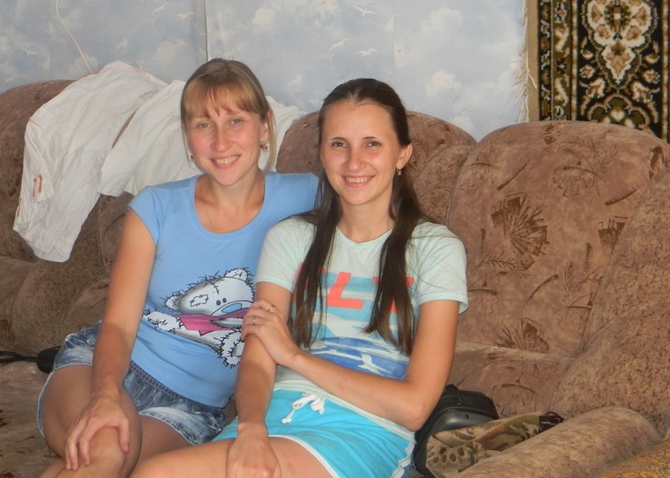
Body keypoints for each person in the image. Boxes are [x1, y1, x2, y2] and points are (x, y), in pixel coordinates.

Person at [132, 78, 468, 478]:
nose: (354, 162)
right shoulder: (290, 238)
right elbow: (258, 360)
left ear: (402, 154)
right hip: (273, 418)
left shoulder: (435, 249)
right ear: (322, 154)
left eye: (372, 144)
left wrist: (293, 356)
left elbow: (414, 408)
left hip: (363, 430)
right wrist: (250, 427)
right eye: (339, 144)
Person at [37, 58, 319, 478]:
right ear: (188, 138)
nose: (220, 141)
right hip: (102, 369)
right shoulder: (156, 207)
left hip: (189, 408)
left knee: (95, 461)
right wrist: (106, 396)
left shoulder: (307, 197)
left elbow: (380, 209)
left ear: (265, 128)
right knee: (106, 450)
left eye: (236, 121)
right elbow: (119, 325)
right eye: (204, 124)